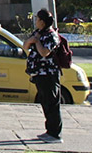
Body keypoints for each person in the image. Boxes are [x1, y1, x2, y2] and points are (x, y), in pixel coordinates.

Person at [23, 8, 62, 144]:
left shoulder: (51, 35)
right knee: (45, 102)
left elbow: (44, 52)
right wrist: (32, 40)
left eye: (38, 19)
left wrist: (37, 42)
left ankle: (55, 134)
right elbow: (25, 46)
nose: (36, 21)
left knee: (52, 104)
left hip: (49, 74)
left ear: (43, 22)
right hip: (39, 74)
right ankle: (49, 131)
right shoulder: (38, 33)